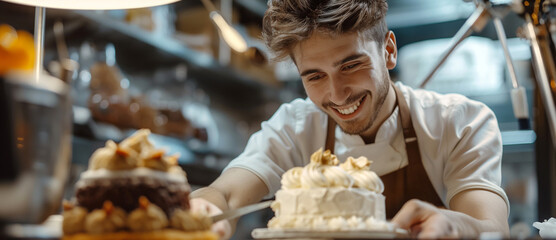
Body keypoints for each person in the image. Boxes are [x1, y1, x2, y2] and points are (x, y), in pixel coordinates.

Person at [190, 0, 510, 238]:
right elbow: (225, 195)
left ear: (388, 51)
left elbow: (493, 228)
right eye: (314, 76)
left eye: (350, 65)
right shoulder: (294, 127)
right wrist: (205, 210)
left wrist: (457, 225)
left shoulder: (460, 122)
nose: (338, 94)